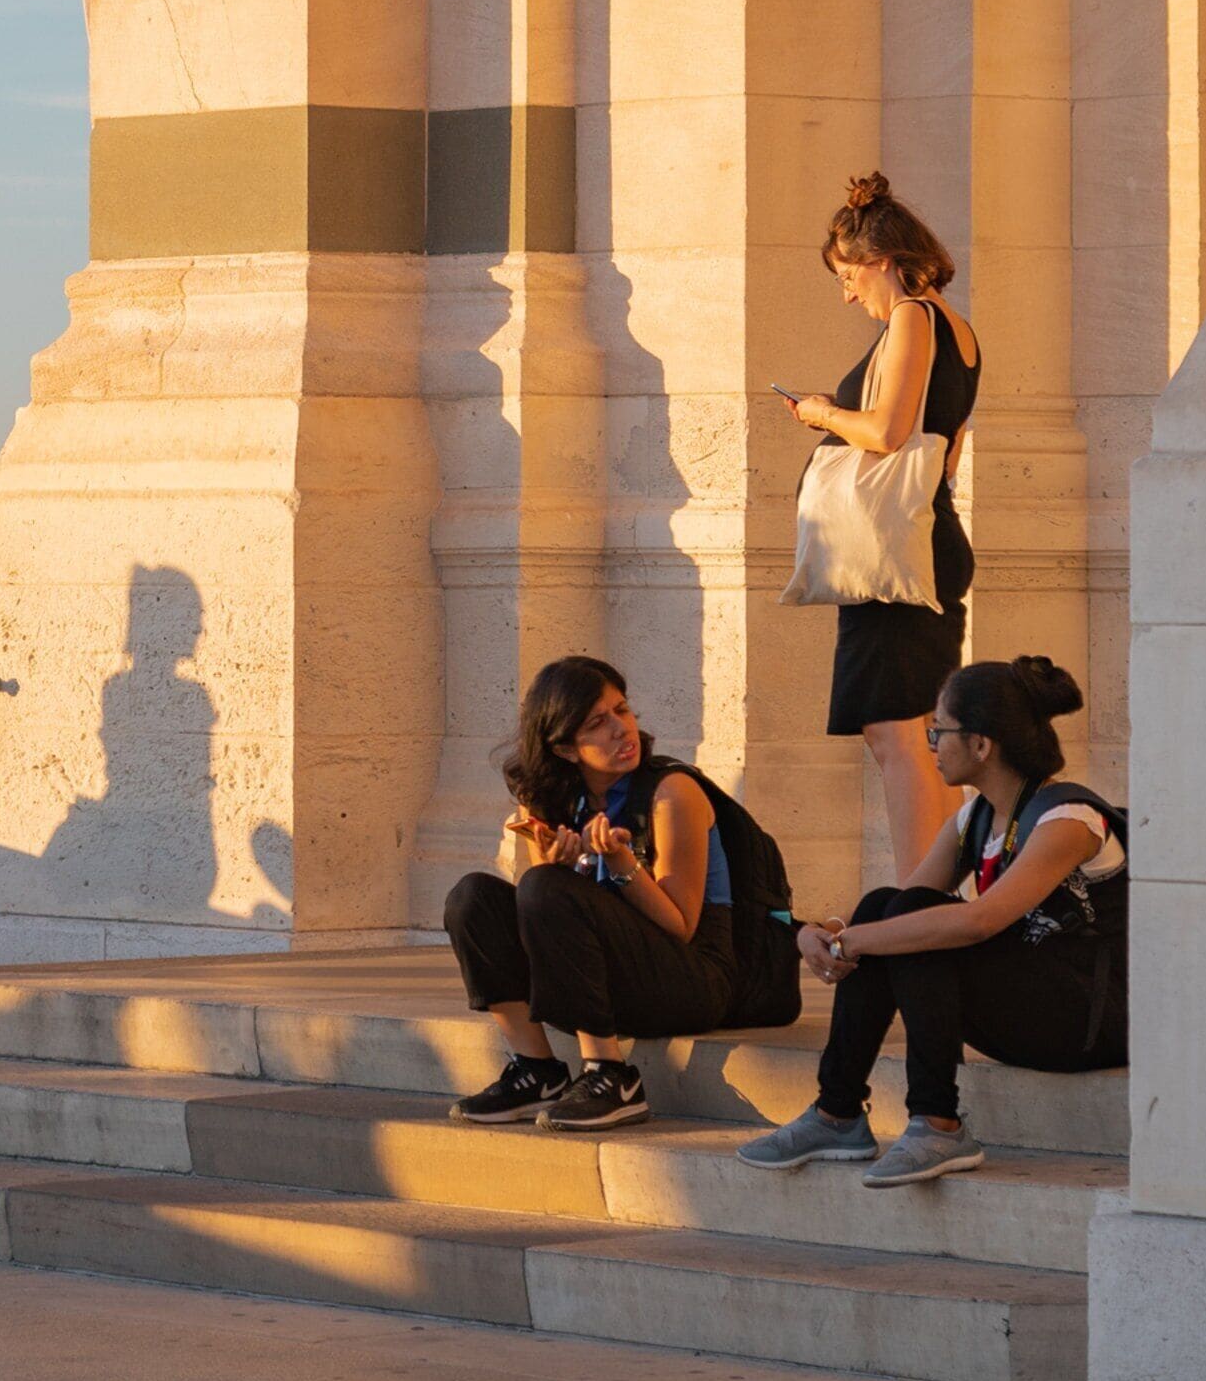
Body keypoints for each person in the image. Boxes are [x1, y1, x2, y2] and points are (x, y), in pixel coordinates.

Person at [739, 655, 1127, 1186]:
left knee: (911, 923)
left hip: (1088, 1020)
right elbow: (903, 900)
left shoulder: (1069, 820)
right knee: (888, 905)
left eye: (937, 732)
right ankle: (838, 1111)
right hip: (1029, 1002)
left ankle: (937, 1120)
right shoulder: (977, 816)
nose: (930, 745)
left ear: (981, 744)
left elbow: (979, 923)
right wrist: (828, 931)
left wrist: (854, 943)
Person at [440, 655, 800, 1131]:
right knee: (473, 898)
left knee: (547, 887)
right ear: (566, 749)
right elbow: (543, 912)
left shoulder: (671, 793)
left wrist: (621, 864)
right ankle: (537, 1070)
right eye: (597, 723)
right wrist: (562, 868)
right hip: (610, 978)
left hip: (697, 979)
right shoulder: (561, 799)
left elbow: (681, 925)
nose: (620, 729)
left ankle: (612, 1076)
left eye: (622, 710)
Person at [788, 171, 983, 873]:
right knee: (921, 735)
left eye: (848, 276)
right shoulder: (957, 331)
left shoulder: (912, 316)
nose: (847, 294)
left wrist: (820, 413)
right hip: (925, 539)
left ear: (880, 262)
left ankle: (917, 900)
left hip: (897, 556)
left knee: (897, 735)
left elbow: (890, 429)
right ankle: (934, 895)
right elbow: (947, 448)